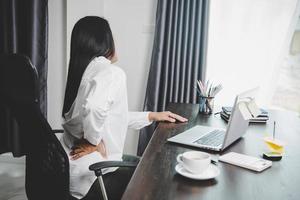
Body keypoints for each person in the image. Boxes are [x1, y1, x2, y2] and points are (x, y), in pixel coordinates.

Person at [60, 16, 188, 199]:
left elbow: (111, 117)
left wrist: (151, 116)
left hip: (70, 169)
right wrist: (92, 141)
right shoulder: (111, 73)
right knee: (156, 176)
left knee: (141, 164)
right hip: (93, 177)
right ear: (105, 42)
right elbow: (95, 108)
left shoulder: (83, 72)